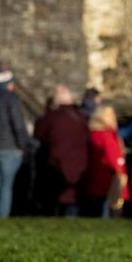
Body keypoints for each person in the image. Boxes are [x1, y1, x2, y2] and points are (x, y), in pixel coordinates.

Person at [0, 67, 31, 218]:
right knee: (6, 184)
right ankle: (2, 216)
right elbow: (18, 125)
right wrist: (23, 145)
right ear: (9, 83)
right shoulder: (12, 99)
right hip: (9, 147)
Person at [33, 85, 88, 217]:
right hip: (78, 166)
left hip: (56, 166)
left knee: (53, 204)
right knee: (71, 202)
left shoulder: (51, 118)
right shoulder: (81, 117)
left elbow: (38, 134)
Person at [84, 105, 129, 218]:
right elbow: (113, 158)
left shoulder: (94, 134)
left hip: (99, 177)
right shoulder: (106, 135)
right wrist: (120, 173)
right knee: (110, 208)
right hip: (109, 178)